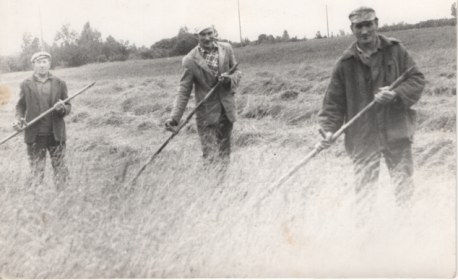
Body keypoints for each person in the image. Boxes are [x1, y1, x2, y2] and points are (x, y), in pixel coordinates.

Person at [317, 7, 426, 207]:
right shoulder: (344, 63)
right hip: (363, 137)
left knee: (405, 190)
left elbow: (416, 79)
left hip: (396, 131)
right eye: (359, 26)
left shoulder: (396, 50)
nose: (365, 31)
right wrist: (328, 130)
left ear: (376, 23)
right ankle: (366, 236)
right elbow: (333, 103)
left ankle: (407, 231)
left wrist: (396, 94)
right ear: (352, 29)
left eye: (368, 24)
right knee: (365, 195)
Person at [164, 25, 242, 170]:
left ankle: (223, 187)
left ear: (214, 33)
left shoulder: (226, 48)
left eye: (209, 33)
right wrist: (174, 118)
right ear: (196, 36)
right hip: (206, 114)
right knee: (210, 155)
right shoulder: (189, 60)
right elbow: (184, 90)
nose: (207, 38)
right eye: (202, 34)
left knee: (225, 152)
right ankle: (210, 187)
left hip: (227, 110)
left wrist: (229, 79)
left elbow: (237, 72)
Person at [13, 51, 71, 188]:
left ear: (49, 64)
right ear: (34, 65)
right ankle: (37, 201)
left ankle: (64, 200)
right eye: (38, 62)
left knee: (60, 169)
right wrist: (18, 120)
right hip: (35, 135)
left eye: (45, 62)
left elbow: (68, 106)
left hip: (56, 135)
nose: (42, 65)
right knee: (36, 171)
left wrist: (62, 108)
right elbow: (20, 106)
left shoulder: (60, 83)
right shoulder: (25, 84)